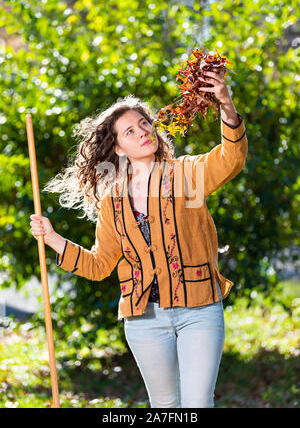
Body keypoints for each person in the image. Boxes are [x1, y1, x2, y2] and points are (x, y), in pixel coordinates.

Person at [30, 69, 248, 408]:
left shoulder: (186, 174)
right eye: (130, 131)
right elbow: (100, 265)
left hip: (200, 308)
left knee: (196, 403)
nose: (143, 131)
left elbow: (231, 158)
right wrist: (53, 238)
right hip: (144, 318)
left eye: (144, 123)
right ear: (118, 147)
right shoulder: (112, 202)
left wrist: (225, 103)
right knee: (164, 407)